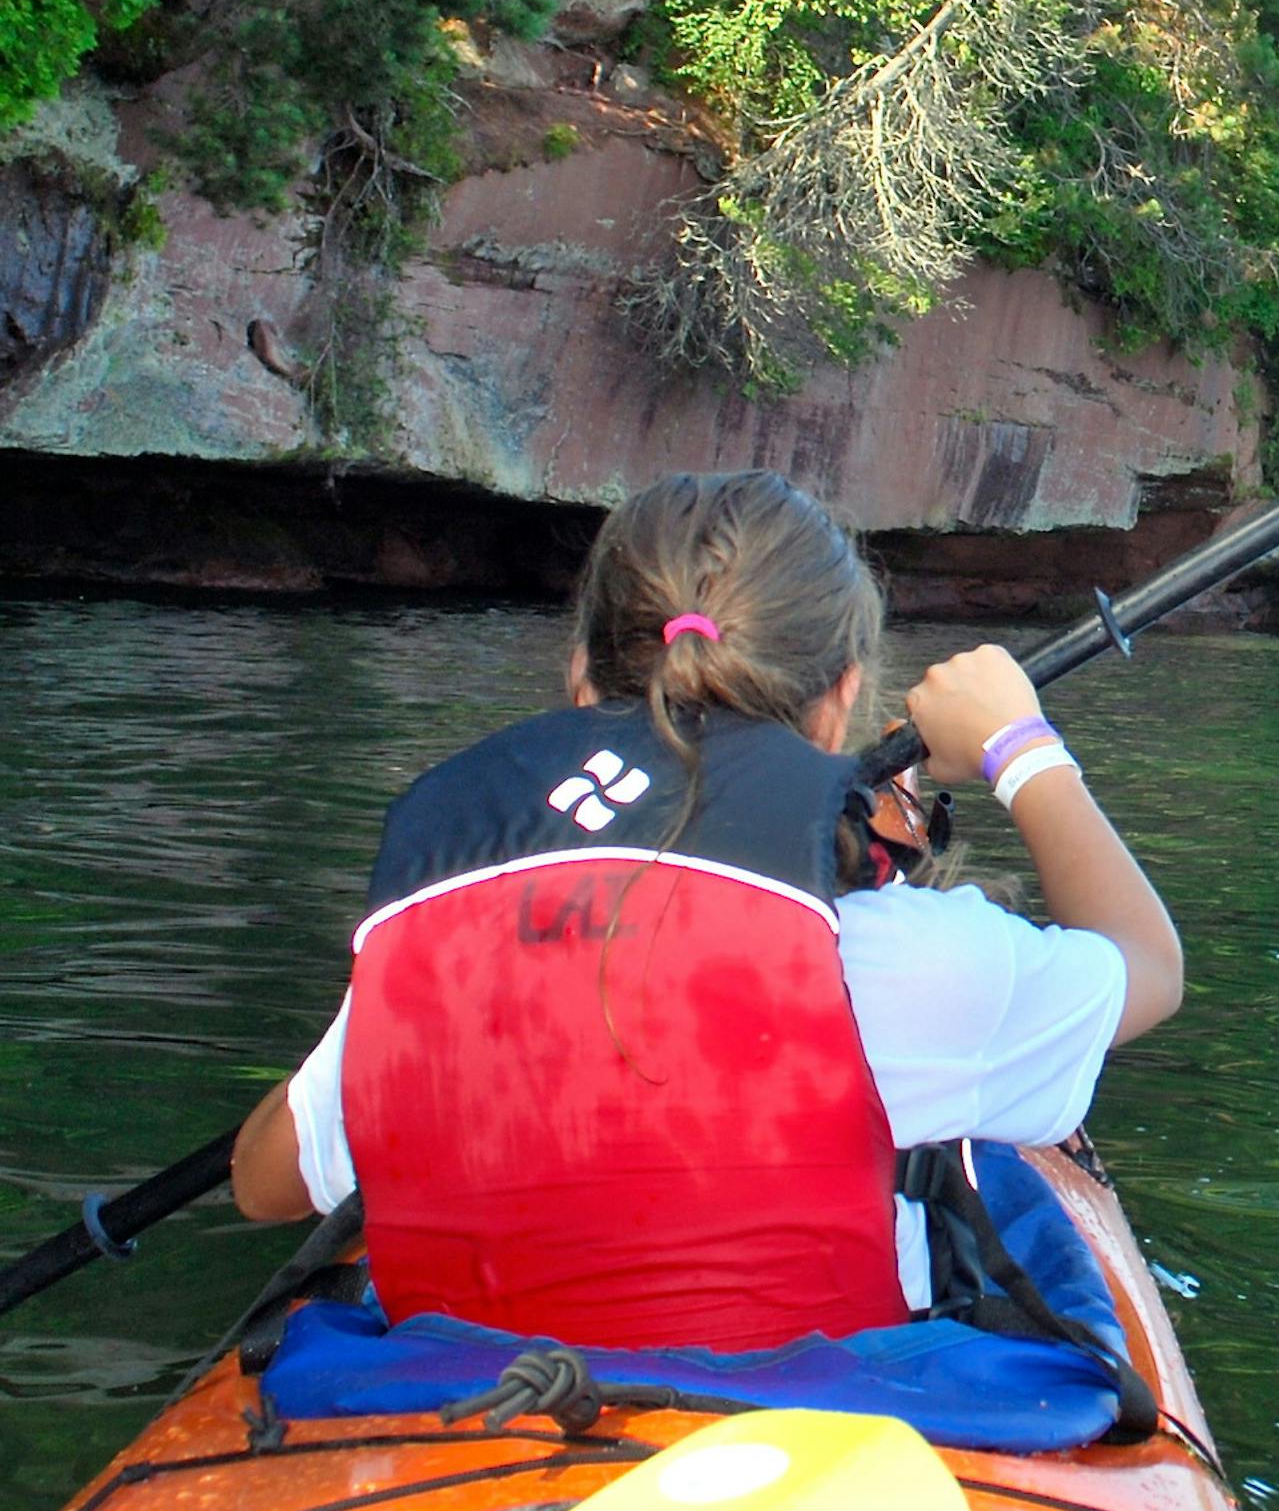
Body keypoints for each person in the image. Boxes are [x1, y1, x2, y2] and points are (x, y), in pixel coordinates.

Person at [231, 469, 1183, 1355]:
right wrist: (1023, 748)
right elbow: (1148, 966)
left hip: (471, 1410)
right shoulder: (920, 961)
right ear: (840, 700)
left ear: (579, 677)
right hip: (807, 1431)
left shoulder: (437, 928)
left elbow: (263, 1181)